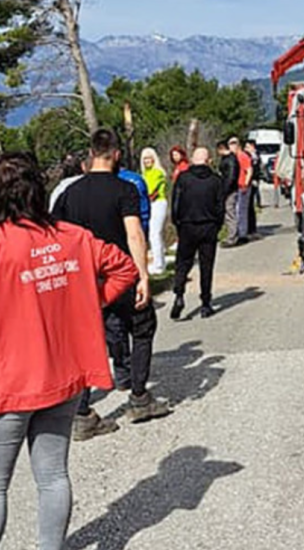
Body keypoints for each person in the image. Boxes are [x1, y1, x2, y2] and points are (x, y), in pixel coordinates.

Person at [0, 152, 139, 550]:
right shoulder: (73, 237)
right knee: (53, 476)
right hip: (64, 378)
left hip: (7, 383)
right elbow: (124, 269)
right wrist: (88, 302)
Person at [54, 130, 170, 434]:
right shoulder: (124, 189)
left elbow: (56, 237)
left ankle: (81, 413)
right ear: (116, 154)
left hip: (83, 278)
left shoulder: (69, 193)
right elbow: (134, 233)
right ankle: (139, 398)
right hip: (121, 273)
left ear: (91, 154)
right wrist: (143, 275)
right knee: (142, 327)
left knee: (84, 341)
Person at [170, 147, 225, 320]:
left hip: (187, 225)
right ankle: (206, 303)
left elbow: (176, 204)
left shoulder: (183, 178)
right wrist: (217, 225)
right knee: (206, 265)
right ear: (208, 160)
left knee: (183, 263)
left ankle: (179, 294)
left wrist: (177, 223)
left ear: (193, 160)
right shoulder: (216, 180)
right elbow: (220, 206)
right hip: (208, 226)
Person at [141, 147, 169, 275]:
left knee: (154, 234)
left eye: (149, 157)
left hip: (158, 203)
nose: (147, 161)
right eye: (144, 158)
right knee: (155, 234)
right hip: (149, 204)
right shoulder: (144, 174)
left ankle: (159, 265)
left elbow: (150, 190)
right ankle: (160, 260)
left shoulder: (157, 172)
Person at [229, 137, 252, 243]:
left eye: (233, 143)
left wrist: (246, 184)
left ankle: (243, 234)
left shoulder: (242, 156)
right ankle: (238, 232)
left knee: (242, 211)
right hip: (237, 186)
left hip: (243, 186)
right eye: (229, 143)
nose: (231, 146)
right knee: (237, 210)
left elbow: (249, 170)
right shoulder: (233, 157)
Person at [217, 140, 240, 247]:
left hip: (230, 190)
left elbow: (231, 177)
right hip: (228, 188)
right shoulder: (227, 159)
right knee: (228, 212)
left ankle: (232, 237)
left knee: (230, 212)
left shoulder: (230, 160)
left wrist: (225, 190)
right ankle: (232, 235)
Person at [244, 139, 261, 236]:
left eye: (247, 147)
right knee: (249, 206)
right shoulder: (252, 155)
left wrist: (255, 179)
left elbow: (255, 169)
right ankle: (250, 227)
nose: (246, 149)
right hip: (252, 181)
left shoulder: (254, 156)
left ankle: (251, 228)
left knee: (250, 205)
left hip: (252, 182)